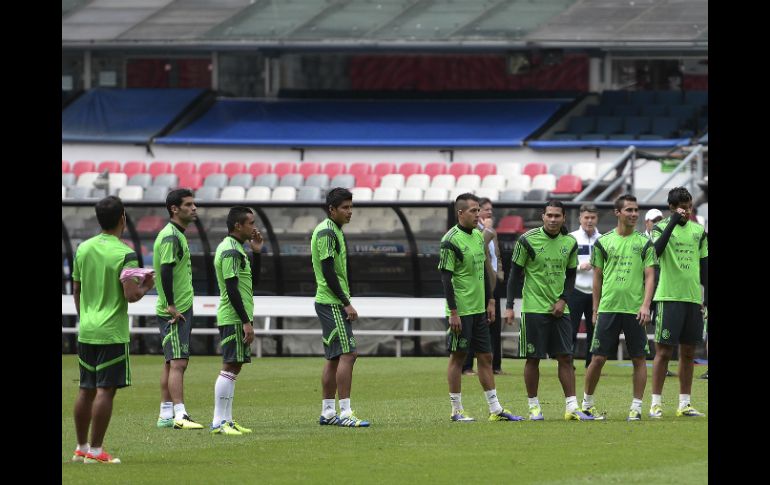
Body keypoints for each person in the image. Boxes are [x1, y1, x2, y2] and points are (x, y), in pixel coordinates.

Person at [71, 196, 155, 464]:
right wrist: (147, 285)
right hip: (111, 331)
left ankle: (81, 447)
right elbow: (130, 295)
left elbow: (76, 288)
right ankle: (96, 452)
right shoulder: (125, 253)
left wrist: (84, 315)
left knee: (86, 388)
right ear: (123, 218)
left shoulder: (83, 248)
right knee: (106, 390)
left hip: (87, 328)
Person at [504, 200, 594, 421]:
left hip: (560, 310)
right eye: (549, 215)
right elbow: (515, 275)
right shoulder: (527, 240)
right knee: (533, 358)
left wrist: (563, 299)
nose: (553, 219)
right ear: (542, 216)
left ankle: (571, 408)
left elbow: (571, 274)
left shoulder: (569, 243)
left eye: (557, 216)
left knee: (566, 357)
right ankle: (534, 407)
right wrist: (509, 306)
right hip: (534, 309)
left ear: (564, 218)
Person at [440, 193, 523, 422]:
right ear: (460, 213)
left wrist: (491, 301)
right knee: (458, 358)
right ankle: (456, 410)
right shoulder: (450, 240)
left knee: (485, 356)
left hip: (479, 309)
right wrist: (453, 312)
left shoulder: (478, 237)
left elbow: (485, 271)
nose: (478, 215)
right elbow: (446, 279)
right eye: (473, 211)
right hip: (462, 311)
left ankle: (495, 409)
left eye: (479, 210)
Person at [581, 195, 656, 421]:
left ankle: (636, 407)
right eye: (629, 210)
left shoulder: (645, 242)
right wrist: (595, 308)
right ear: (617, 213)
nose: (634, 214)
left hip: (635, 310)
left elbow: (650, 275)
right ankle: (586, 405)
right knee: (598, 359)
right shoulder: (603, 242)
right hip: (608, 308)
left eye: (636, 210)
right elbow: (597, 277)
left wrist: (645, 305)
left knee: (639, 359)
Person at [649, 187, 708, 418]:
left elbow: (704, 267)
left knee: (688, 353)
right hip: (668, 297)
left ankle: (684, 403)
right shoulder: (660, 228)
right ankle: (656, 403)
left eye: (689, 207)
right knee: (663, 352)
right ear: (672, 208)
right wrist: (672, 222)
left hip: (693, 299)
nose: (686, 211)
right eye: (682, 208)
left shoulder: (699, 231)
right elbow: (656, 251)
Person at [313, 188, 370, 427]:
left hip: (328, 301)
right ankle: (345, 412)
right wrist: (346, 303)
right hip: (332, 302)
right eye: (345, 208)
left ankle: (328, 412)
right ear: (331, 209)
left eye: (351, 207)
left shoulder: (332, 230)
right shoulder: (327, 232)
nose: (349, 212)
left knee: (334, 357)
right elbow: (327, 271)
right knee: (349, 354)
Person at [152, 188, 204, 429]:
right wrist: (171, 305)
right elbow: (165, 270)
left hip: (178, 306)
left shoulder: (175, 234)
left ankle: (165, 414)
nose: (194, 208)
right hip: (176, 309)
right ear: (175, 209)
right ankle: (180, 415)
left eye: (194, 204)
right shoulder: (172, 236)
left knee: (170, 361)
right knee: (178, 363)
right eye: (189, 204)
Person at [210, 206, 264, 435]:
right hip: (233, 317)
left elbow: (251, 283)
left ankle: (227, 420)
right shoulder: (230, 251)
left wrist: (257, 252)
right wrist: (245, 321)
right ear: (237, 226)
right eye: (251, 223)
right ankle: (218, 421)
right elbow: (232, 288)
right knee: (230, 365)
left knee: (235, 367)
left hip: (236, 317)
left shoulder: (236, 249)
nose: (254, 227)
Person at [462, 197, 505, 375]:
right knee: (475, 324)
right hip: (479, 284)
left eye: (490, 210)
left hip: (494, 282)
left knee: (494, 325)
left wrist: (499, 273)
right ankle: (467, 366)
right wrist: (487, 229)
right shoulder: (475, 231)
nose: (489, 213)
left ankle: (495, 365)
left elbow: (496, 255)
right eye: (485, 209)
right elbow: (479, 247)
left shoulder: (490, 231)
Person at [644, 208, 677, 377]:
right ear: (646, 222)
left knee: (659, 325)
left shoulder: (668, 237)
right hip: (642, 289)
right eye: (654, 220)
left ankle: (662, 365)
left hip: (661, 288)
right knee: (639, 324)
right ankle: (640, 363)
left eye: (660, 220)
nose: (657, 223)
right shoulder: (640, 239)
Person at [568, 204, 601, 368]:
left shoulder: (603, 239)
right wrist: (579, 267)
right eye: (586, 217)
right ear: (580, 218)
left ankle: (591, 364)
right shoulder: (571, 238)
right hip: (575, 289)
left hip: (596, 291)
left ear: (597, 218)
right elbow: (564, 264)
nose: (589, 221)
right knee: (570, 328)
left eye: (592, 217)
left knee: (594, 329)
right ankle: (568, 362)